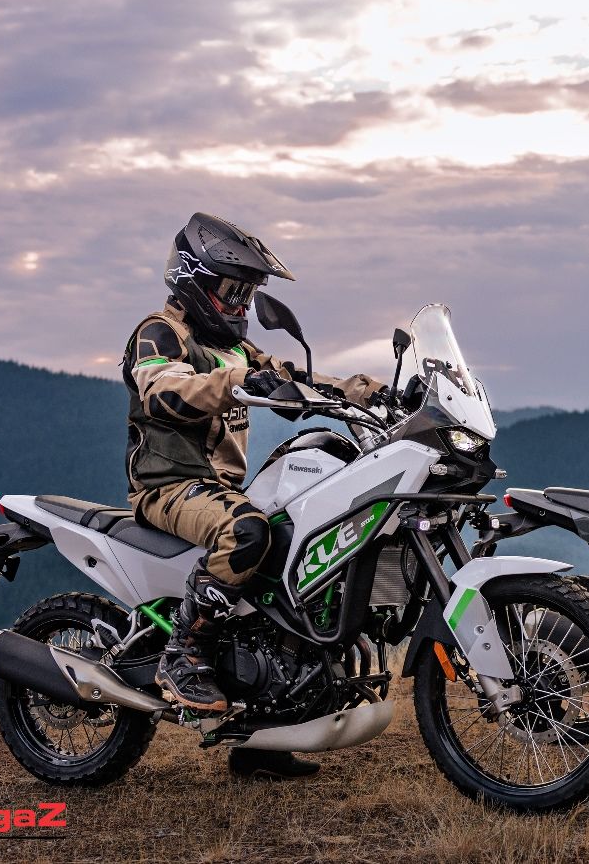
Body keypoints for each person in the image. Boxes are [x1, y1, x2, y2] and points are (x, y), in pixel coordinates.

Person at [121, 213, 388, 779]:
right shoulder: (160, 333)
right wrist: (238, 382)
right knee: (248, 531)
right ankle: (184, 653)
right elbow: (164, 390)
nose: (240, 303)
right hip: (167, 486)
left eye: (247, 293)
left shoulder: (236, 347)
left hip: (219, 487)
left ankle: (264, 731)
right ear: (194, 280)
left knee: (298, 540)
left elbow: (296, 378)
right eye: (232, 290)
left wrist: (368, 392)